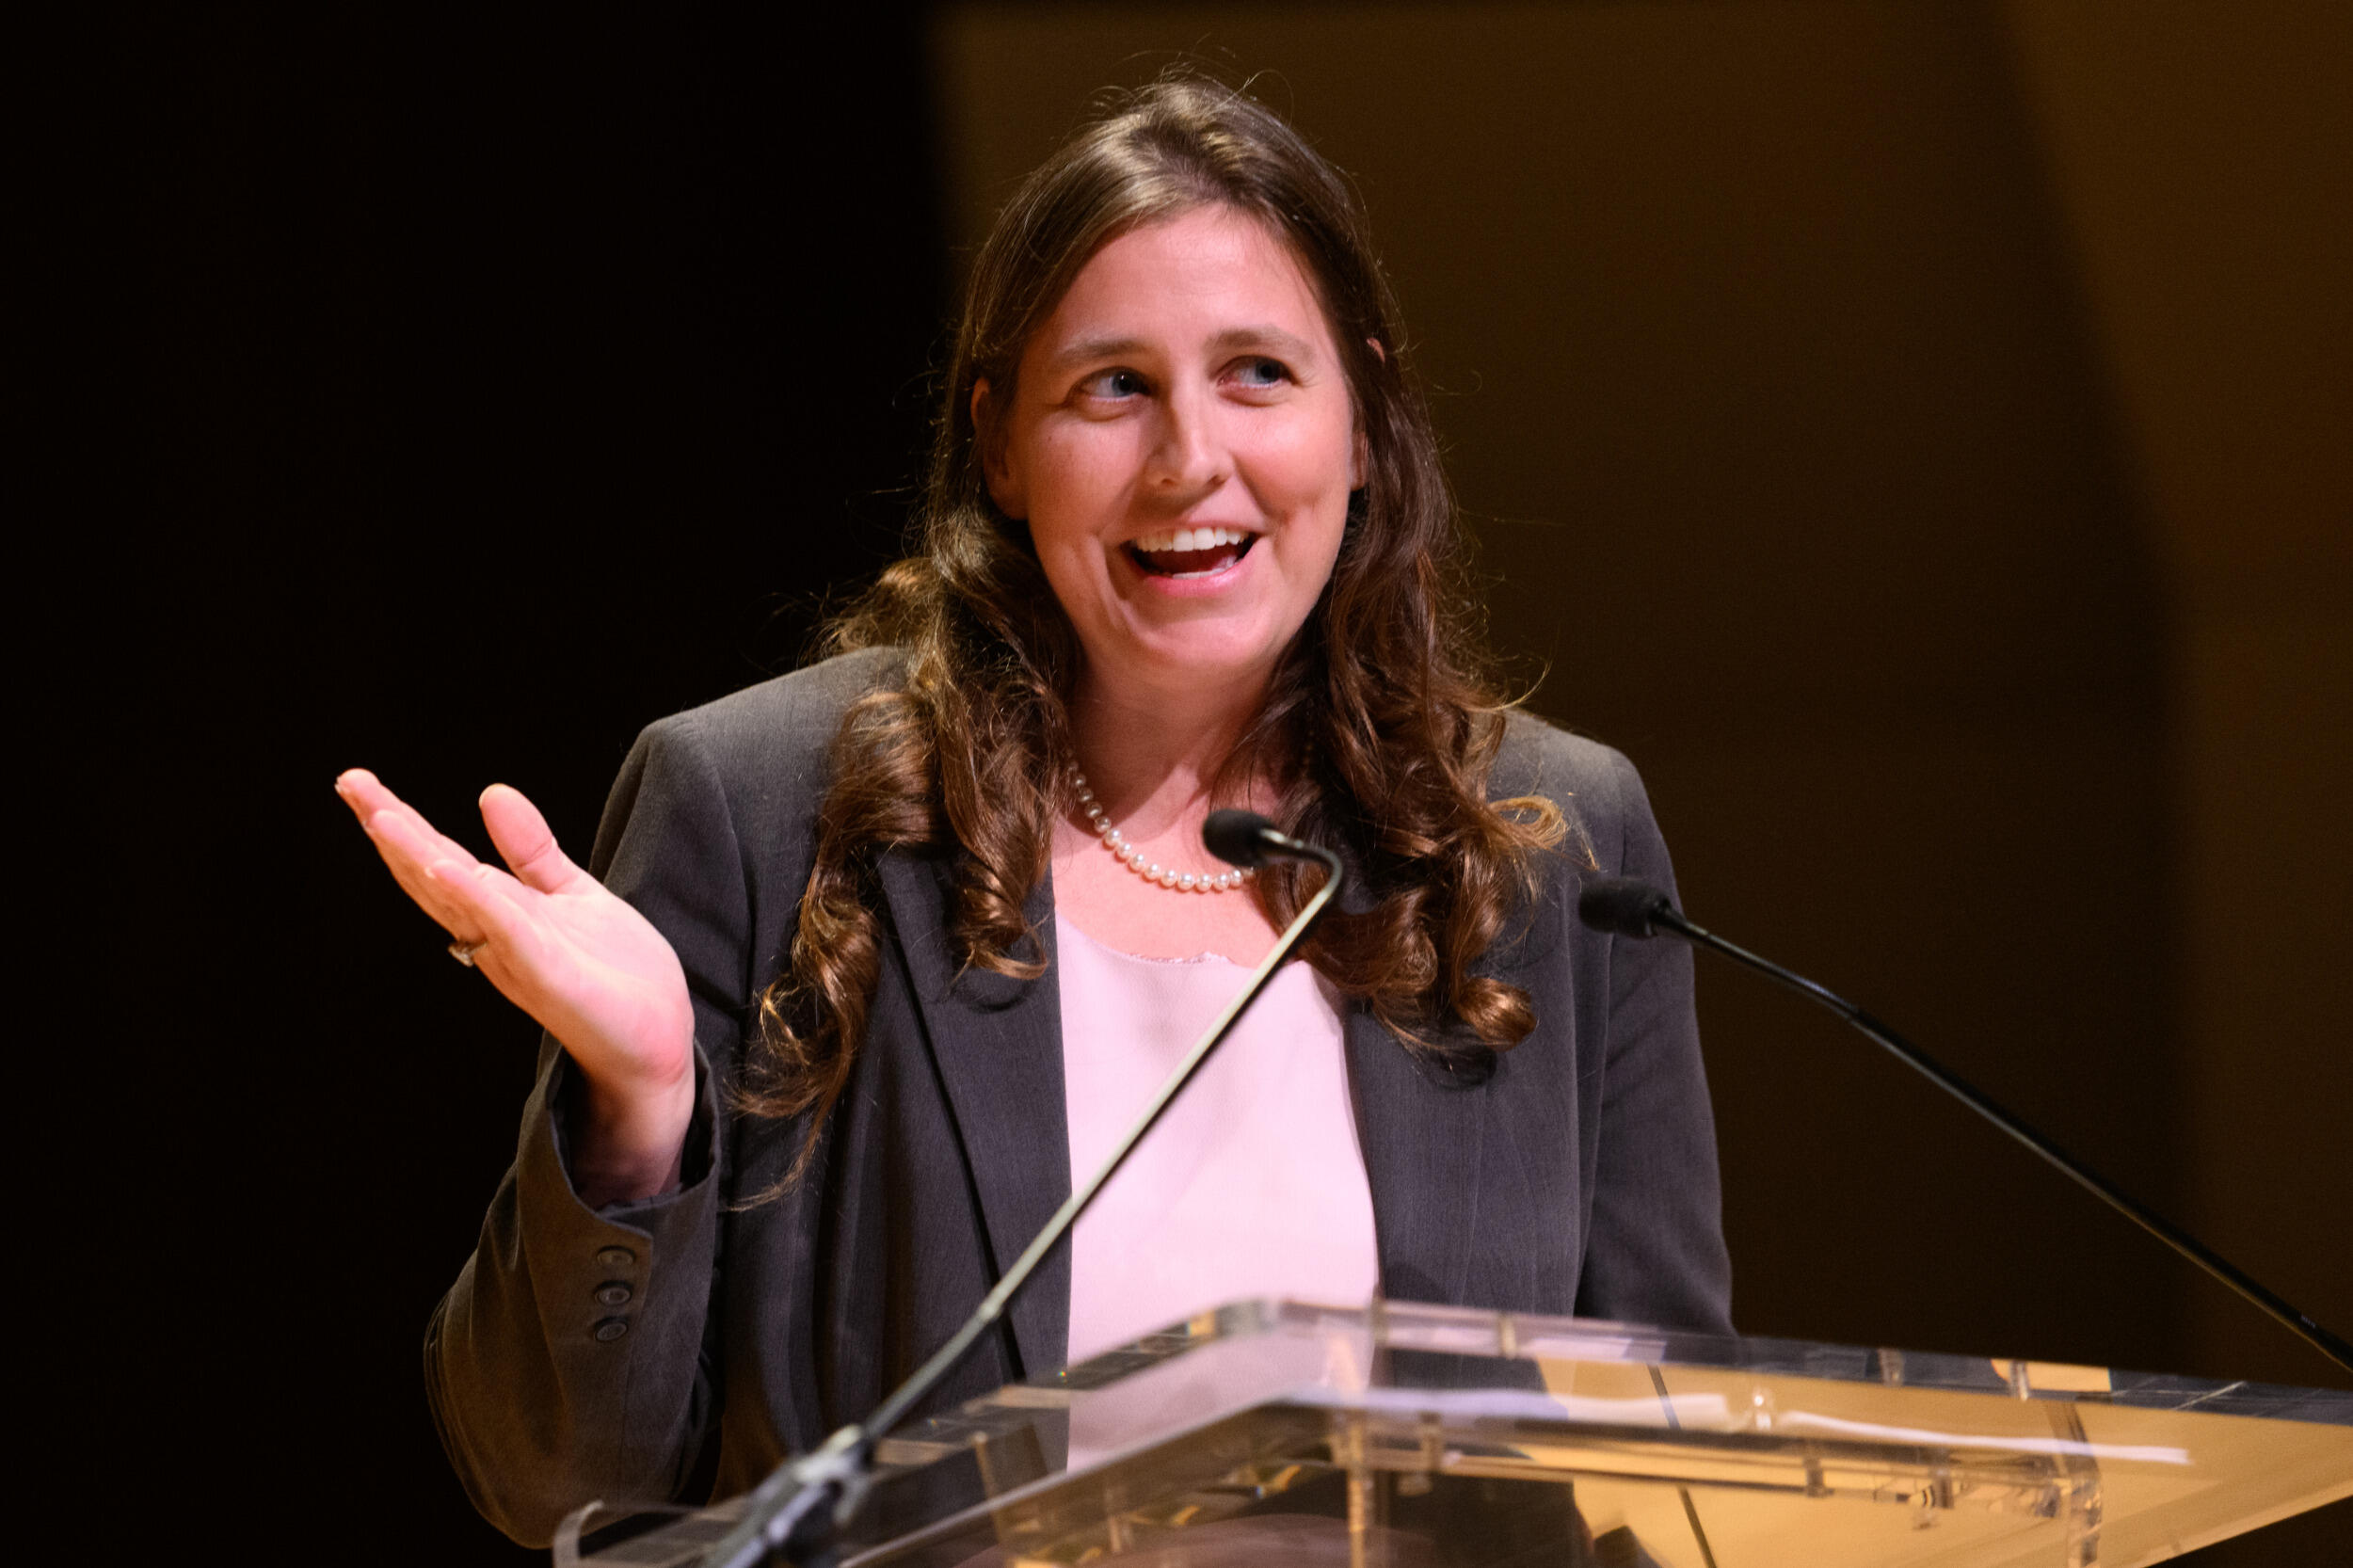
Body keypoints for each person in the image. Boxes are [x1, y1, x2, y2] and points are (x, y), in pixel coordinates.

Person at [339, 76, 1731, 1548]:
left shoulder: (1547, 845)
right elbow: (549, 1480)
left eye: (1258, 372)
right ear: (1001, 445)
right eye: (1113, 387)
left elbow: (1672, 1475)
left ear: (1369, 420)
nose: (1193, 460)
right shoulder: (768, 813)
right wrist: (638, 1115)